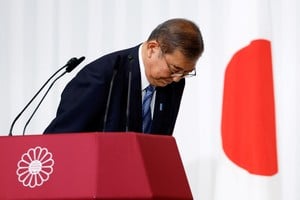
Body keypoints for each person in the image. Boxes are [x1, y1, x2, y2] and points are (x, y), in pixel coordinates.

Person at [44, 18, 204, 135]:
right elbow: (60, 140)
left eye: (186, 72)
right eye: (174, 69)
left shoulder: (174, 83)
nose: (177, 78)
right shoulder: (102, 75)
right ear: (152, 49)